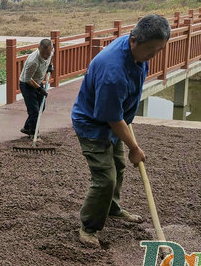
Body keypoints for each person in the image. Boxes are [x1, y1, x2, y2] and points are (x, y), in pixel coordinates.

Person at [71, 14, 171, 248]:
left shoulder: (137, 51)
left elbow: (118, 115)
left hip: (116, 121)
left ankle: (112, 208)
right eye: (150, 51)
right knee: (105, 179)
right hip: (93, 126)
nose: (152, 56)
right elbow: (110, 117)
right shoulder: (112, 71)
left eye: (158, 50)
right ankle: (89, 227)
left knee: (119, 166)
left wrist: (126, 122)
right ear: (134, 40)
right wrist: (135, 148)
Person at [19, 38, 54, 136]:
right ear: (39, 49)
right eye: (43, 53)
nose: (45, 56)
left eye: (48, 53)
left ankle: (27, 128)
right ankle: (34, 134)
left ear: (51, 49)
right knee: (34, 111)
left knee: (41, 108)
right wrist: (39, 88)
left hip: (38, 82)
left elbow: (51, 56)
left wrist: (50, 65)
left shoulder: (50, 52)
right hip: (27, 84)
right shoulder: (33, 61)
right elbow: (27, 79)